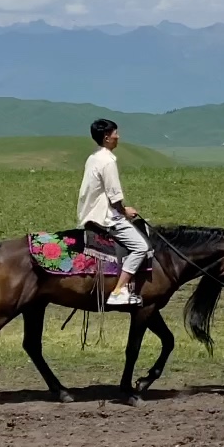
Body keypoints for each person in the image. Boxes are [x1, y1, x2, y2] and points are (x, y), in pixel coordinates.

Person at [77, 118, 149, 306]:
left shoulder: (93, 157)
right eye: (116, 133)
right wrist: (125, 211)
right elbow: (114, 196)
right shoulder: (108, 161)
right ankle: (119, 291)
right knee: (141, 247)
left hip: (90, 213)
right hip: (106, 217)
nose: (119, 137)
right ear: (107, 137)